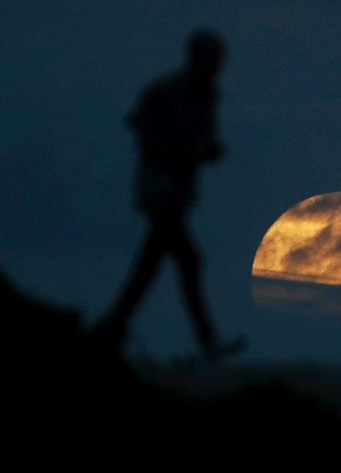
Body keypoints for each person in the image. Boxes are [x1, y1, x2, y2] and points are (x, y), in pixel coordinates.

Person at [89, 29, 246, 361]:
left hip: (179, 195)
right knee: (188, 260)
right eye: (210, 60)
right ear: (194, 58)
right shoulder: (165, 91)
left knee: (150, 266)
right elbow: (144, 134)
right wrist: (188, 152)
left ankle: (110, 329)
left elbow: (203, 140)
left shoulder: (208, 96)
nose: (216, 67)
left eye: (218, 61)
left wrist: (207, 151)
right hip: (159, 192)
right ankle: (207, 339)